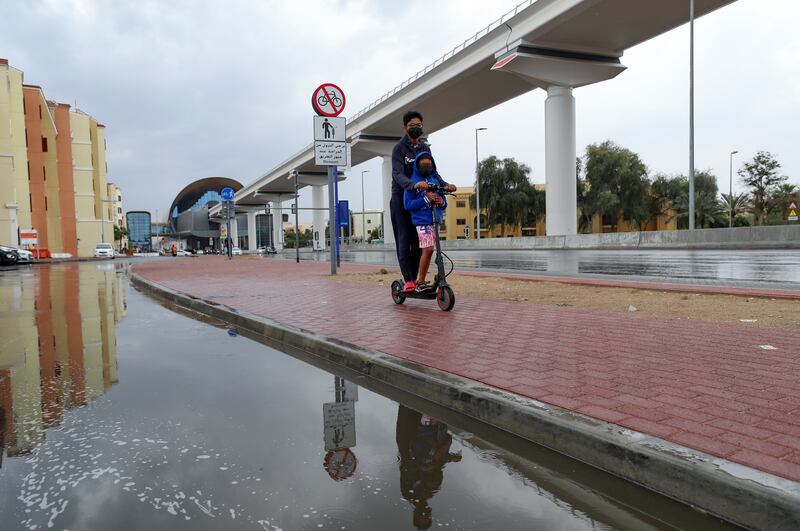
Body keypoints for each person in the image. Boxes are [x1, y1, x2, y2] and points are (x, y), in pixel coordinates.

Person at [391, 111, 456, 293]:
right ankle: (409, 279)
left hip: (422, 197)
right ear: (405, 128)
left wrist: (444, 185)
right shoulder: (399, 148)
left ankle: (418, 278)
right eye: (412, 125)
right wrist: (413, 184)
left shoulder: (424, 147)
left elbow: (432, 171)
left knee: (419, 240)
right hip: (403, 196)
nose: (416, 128)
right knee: (404, 238)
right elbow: (397, 174)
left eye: (419, 125)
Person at [404, 153, 447, 292]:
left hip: (435, 221)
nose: (426, 167)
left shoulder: (436, 181)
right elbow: (408, 205)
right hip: (422, 221)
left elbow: (442, 200)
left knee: (431, 251)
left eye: (429, 164)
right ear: (417, 166)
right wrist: (426, 199)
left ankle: (422, 280)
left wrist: (442, 202)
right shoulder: (413, 183)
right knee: (428, 249)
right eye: (423, 165)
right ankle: (420, 281)